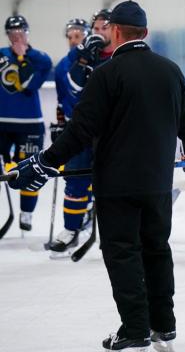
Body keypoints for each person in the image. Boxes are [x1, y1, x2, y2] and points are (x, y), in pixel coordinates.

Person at [7, 0, 185, 351]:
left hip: (117, 185)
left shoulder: (107, 74)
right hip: (158, 183)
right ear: (144, 32)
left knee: (123, 253)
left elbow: (80, 131)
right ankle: (164, 325)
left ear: (114, 32)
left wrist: (44, 162)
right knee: (157, 249)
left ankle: (135, 329)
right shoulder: (170, 70)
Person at [48, 13, 114, 255]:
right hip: (81, 130)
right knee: (75, 180)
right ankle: (71, 230)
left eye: (104, 28)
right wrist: (84, 59)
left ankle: (113, 234)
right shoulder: (75, 57)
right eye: (96, 28)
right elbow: (70, 92)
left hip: (111, 133)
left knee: (112, 184)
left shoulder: (120, 57)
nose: (99, 32)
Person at [0, 15, 52, 231]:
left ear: (28, 33)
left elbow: (29, 84)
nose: (17, 36)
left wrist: (22, 58)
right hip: (1, 123)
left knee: (31, 167)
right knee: (6, 168)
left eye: (21, 31)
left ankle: (27, 213)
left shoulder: (41, 59)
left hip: (30, 123)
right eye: (12, 33)